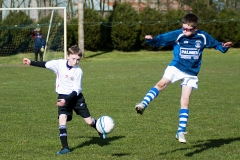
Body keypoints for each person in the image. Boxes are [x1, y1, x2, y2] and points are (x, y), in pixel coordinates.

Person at [134, 13, 233, 144]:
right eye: (184, 28)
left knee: (185, 101)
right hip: (176, 66)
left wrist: (224, 46)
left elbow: (216, 44)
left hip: (191, 73)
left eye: (188, 29)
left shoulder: (202, 37)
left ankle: (180, 131)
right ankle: (142, 105)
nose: (185, 31)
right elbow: (162, 39)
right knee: (161, 84)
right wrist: (151, 40)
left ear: (196, 28)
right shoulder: (178, 34)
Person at [23, 45, 105, 155]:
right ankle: (65, 147)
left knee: (89, 121)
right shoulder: (59, 64)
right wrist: (31, 62)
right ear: (67, 56)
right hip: (62, 96)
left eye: (78, 59)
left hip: (76, 98)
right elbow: (45, 64)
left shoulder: (78, 71)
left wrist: (66, 100)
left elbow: (76, 90)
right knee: (62, 119)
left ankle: (99, 128)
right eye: (73, 58)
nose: (75, 62)